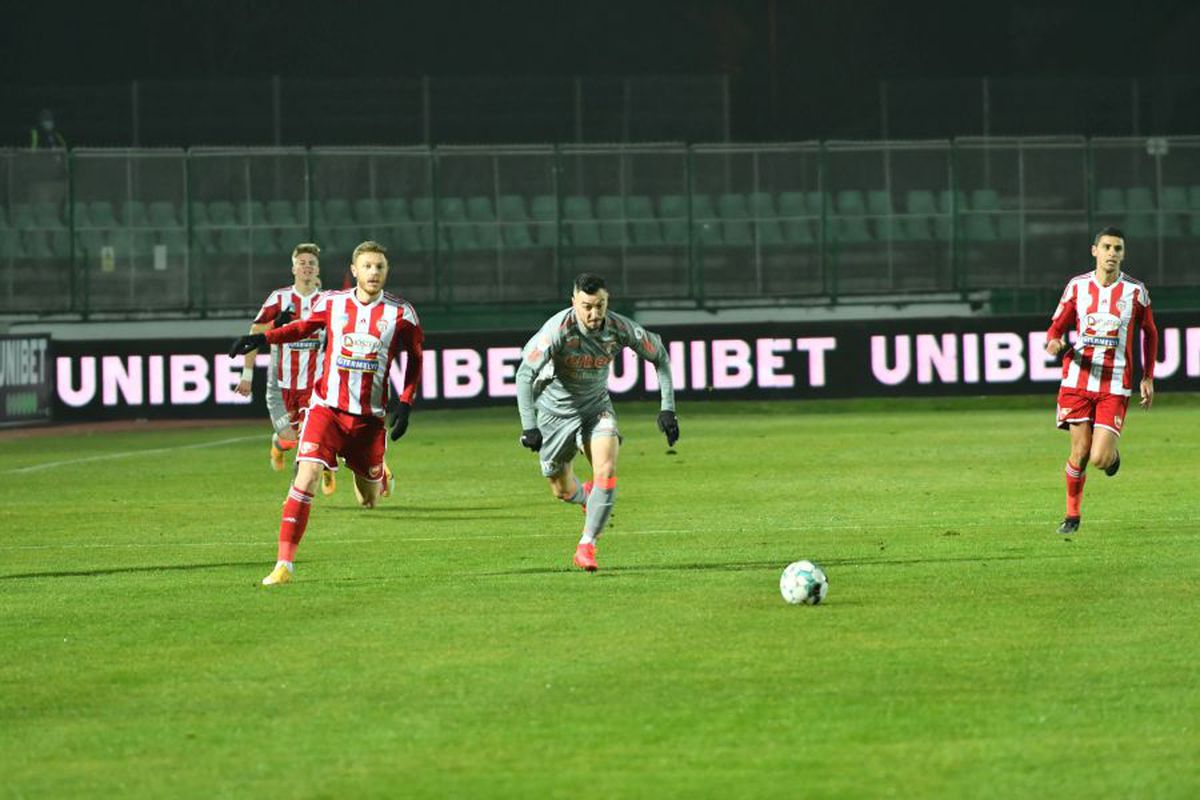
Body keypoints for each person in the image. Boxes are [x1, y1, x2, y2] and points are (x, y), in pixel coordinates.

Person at [230, 241, 424, 585]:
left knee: (369, 499)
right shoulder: (332, 303)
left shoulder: (402, 314)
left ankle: (375, 475)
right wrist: (264, 340)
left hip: (368, 420)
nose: (373, 273)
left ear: (386, 271)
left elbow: (415, 359)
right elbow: (303, 327)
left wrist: (406, 402)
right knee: (305, 478)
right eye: (367, 266)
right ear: (354, 270)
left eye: (379, 266)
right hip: (327, 409)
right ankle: (283, 565)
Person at [515, 272, 679, 571]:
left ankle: (587, 545)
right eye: (587, 306)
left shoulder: (619, 328)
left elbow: (660, 356)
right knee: (561, 489)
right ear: (574, 302)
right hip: (554, 415)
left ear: (607, 302)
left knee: (606, 468)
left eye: (600, 305)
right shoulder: (557, 331)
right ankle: (585, 496)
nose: (594, 313)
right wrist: (530, 426)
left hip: (596, 409)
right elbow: (525, 375)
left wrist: (667, 408)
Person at [1045, 226, 1158, 535]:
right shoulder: (1077, 287)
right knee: (1080, 452)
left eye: (1117, 249)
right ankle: (1072, 516)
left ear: (1123, 254)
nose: (1112, 253)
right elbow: (1055, 329)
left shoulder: (1135, 292)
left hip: (1115, 385)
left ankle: (1111, 456)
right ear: (1094, 251)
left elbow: (1150, 332)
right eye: (1106, 247)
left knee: (1098, 458)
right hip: (1077, 380)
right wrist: (1054, 342)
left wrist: (1147, 376)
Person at [236, 243, 338, 494]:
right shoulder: (278, 299)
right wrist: (247, 375)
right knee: (290, 437)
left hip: (315, 387)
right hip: (280, 387)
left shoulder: (328, 301)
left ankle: (300, 492)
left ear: (317, 270)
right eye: (301, 263)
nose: (306, 267)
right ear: (293, 268)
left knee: (309, 441)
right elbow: (255, 333)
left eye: (311, 263)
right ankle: (278, 445)